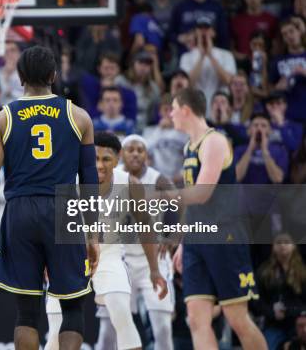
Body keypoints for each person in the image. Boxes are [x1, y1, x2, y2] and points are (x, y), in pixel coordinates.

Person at [0, 46, 100, 350]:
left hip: (20, 211)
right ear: (54, 76)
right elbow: (89, 182)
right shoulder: (79, 117)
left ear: (19, 77)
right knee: (72, 308)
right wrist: (93, 234)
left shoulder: (1, 119)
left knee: (26, 313)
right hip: (64, 209)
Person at [45, 132, 168, 350]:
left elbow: (146, 228)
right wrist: (47, 261)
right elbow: (50, 228)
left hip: (109, 255)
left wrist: (155, 269)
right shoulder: (67, 181)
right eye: (93, 159)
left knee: (122, 315)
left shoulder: (130, 184)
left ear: (118, 159)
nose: (99, 165)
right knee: (56, 332)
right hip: (69, 257)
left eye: (106, 159)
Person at [169, 88, 266, 350]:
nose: (170, 114)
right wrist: (183, 242)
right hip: (198, 238)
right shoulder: (189, 146)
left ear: (186, 110)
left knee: (237, 318)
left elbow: (202, 193)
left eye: (173, 108)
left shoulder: (214, 141)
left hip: (225, 235)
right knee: (196, 319)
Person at [120, 135, 175, 350]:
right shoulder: (112, 178)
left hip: (153, 260)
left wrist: (171, 236)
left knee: (162, 327)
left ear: (147, 156)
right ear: (121, 154)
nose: (135, 153)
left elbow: (181, 206)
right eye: (130, 149)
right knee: (119, 327)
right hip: (122, 259)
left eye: (140, 150)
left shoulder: (158, 179)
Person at [254, 233, 306, 350]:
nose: (282, 245)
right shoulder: (264, 272)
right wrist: (272, 312)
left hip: (298, 321)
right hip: (273, 323)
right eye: (279, 242)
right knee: (267, 346)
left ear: (294, 246)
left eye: (286, 242)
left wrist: (297, 312)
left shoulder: (303, 272)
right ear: (273, 246)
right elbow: (256, 301)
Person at [179, 15, 236, 110]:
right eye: (200, 28)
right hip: (195, 107)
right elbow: (188, 84)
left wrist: (210, 55)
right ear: (196, 32)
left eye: (207, 28)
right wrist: (201, 56)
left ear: (213, 32)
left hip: (219, 107)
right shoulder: (186, 57)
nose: (203, 31)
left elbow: (228, 81)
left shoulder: (226, 55)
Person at [235, 113, 288, 184]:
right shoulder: (239, 150)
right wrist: (249, 150)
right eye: (255, 125)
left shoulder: (280, 151)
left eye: (264, 126)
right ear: (249, 131)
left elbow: (277, 179)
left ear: (270, 131)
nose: (259, 129)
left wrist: (265, 151)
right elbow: (237, 177)